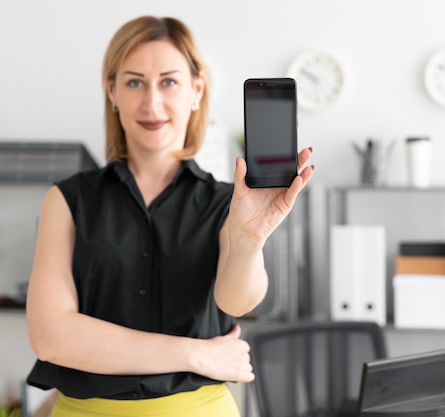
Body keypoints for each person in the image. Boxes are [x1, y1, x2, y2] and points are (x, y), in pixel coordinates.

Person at [25, 15, 314, 417]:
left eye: (169, 81)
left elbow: (238, 301)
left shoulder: (225, 202)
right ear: (112, 91)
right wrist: (197, 354)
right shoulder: (67, 200)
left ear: (196, 90)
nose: (152, 103)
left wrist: (249, 242)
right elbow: (51, 337)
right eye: (134, 82)